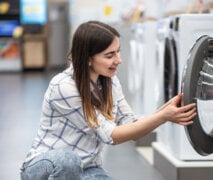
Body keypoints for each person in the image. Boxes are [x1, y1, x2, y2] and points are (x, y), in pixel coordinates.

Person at [20, 20, 196, 180]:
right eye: (109, 55)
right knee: (68, 160)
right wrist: (163, 116)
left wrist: (167, 110)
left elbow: (131, 125)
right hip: (45, 167)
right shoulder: (65, 86)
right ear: (88, 58)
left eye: (118, 52)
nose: (118, 60)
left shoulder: (110, 82)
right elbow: (111, 136)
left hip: (87, 167)